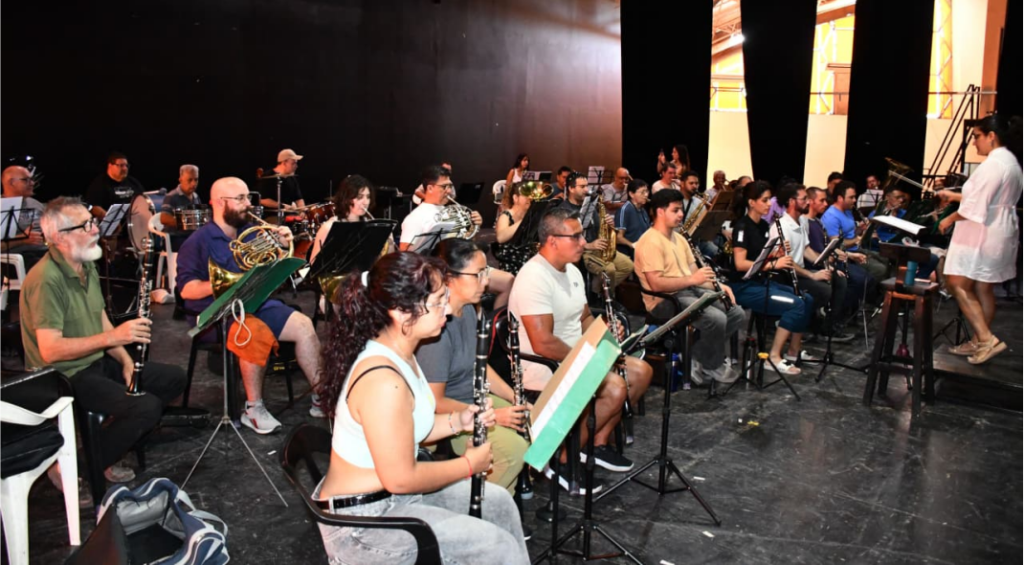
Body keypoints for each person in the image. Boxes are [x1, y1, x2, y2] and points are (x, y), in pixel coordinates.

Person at [316, 252, 528, 563]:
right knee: (495, 546)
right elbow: (400, 477)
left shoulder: (402, 352)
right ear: (403, 313)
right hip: (362, 523)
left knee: (498, 503)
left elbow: (414, 428)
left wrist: (459, 421)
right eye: (439, 301)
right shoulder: (384, 382)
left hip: (392, 497)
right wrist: (469, 465)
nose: (447, 309)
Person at [20, 197, 186, 483]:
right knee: (146, 408)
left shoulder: (85, 263)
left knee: (173, 379)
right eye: (85, 225)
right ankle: (75, 470)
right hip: (62, 376)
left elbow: (100, 319)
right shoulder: (46, 279)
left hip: (93, 362)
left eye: (92, 221)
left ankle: (106, 441)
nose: (95, 229)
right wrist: (114, 337)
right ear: (60, 237)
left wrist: (124, 359)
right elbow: (50, 351)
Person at [509, 207, 652, 488]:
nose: (583, 242)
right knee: (614, 386)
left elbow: (584, 317)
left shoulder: (571, 271)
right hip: (542, 366)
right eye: (575, 237)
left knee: (641, 372)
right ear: (552, 241)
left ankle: (594, 444)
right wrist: (590, 358)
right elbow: (543, 342)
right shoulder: (534, 276)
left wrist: (607, 333)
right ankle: (559, 459)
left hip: (572, 356)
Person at [176, 177, 324, 434]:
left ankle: (322, 396)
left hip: (253, 303)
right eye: (242, 199)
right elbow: (187, 290)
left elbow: (270, 273)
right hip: (216, 313)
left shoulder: (253, 234)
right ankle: (253, 409)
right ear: (222, 203)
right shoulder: (197, 242)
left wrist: (281, 245)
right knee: (252, 332)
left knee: (303, 324)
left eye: (249, 198)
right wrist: (227, 283)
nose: (249, 205)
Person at [418, 239, 529, 495]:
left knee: (529, 420)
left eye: (485, 272)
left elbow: (478, 365)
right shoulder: (437, 331)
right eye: (477, 274)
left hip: (474, 401)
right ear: (449, 278)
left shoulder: (468, 309)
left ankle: (505, 500)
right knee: (513, 451)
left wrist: (512, 396)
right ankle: (477, 514)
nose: (485, 282)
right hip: (452, 412)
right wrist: (492, 415)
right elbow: (434, 402)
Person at [937, 114, 1024, 364]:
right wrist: (954, 196)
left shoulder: (994, 164)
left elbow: (976, 206)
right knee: (982, 286)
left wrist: (948, 219)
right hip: (999, 229)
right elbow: (988, 199)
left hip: (982, 233)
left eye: (977, 137)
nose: (974, 143)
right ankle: (978, 340)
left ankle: (986, 339)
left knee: (956, 282)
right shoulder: (1011, 162)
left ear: (991, 136)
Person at [634, 189, 742, 384]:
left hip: (688, 291)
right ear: (660, 212)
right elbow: (656, 284)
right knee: (716, 319)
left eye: (681, 210)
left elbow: (696, 274)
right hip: (664, 300)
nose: (681, 215)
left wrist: (718, 287)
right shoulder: (649, 241)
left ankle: (697, 357)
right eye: (675, 210)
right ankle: (712, 365)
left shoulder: (680, 238)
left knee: (735, 312)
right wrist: (694, 280)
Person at [729, 181, 814, 375]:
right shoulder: (742, 226)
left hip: (761, 281)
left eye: (769, 200)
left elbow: (760, 256)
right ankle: (773, 357)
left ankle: (793, 350)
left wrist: (776, 253)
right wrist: (774, 264)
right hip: (744, 286)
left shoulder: (764, 226)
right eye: (764, 200)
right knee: (796, 303)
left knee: (806, 299)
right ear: (751, 202)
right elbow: (740, 264)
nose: (769, 204)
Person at [400, 165, 512, 308]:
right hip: (444, 271)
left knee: (509, 281)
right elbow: (405, 254)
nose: (449, 191)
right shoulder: (415, 217)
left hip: (463, 265)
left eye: (450, 186)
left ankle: (489, 325)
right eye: (444, 187)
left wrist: (475, 225)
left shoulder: (453, 211)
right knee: (470, 291)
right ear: (430, 188)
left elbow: (468, 240)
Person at [768, 183, 853, 343]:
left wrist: (826, 266)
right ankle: (793, 322)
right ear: (792, 201)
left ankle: (826, 325)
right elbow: (787, 262)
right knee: (823, 290)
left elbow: (807, 250)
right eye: (804, 198)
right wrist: (812, 276)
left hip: (799, 270)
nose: (808, 202)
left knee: (838, 279)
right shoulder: (781, 226)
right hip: (786, 275)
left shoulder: (800, 222)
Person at [558, 171, 634, 292]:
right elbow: (565, 240)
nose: (586, 190)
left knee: (628, 266)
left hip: (599, 247)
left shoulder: (589, 205)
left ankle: (598, 290)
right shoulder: (563, 210)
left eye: (587, 186)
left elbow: (598, 227)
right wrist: (589, 245)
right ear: (571, 189)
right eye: (582, 187)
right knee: (610, 269)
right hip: (584, 250)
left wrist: (608, 223)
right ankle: (606, 298)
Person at [805, 186, 876, 311]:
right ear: (810, 201)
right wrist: (829, 267)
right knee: (851, 279)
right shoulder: (804, 223)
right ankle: (835, 317)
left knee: (864, 277)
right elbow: (811, 252)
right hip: (817, 265)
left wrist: (850, 255)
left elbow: (828, 247)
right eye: (822, 201)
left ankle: (844, 314)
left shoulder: (817, 222)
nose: (826, 204)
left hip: (829, 260)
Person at [309, 174, 393, 266]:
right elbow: (313, 264)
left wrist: (388, 241)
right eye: (359, 197)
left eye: (368, 197)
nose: (365, 202)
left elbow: (384, 261)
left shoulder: (370, 226)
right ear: (347, 198)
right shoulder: (329, 227)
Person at [822, 181, 889, 283]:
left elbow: (851, 234)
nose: (854, 200)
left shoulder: (848, 211)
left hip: (857, 249)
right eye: (851, 197)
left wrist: (860, 229)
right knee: (880, 269)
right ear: (840, 198)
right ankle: (871, 295)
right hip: (846, 254)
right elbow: (836, 245)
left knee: (887, 260)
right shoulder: (831, 217)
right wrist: (859, 239)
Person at [0, 164, 47, 265]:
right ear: (12, 182)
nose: (32, 183)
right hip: (17, 259)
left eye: (32, 179)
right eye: (26, 180)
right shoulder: (2, 206)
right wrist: (22, 240)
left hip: (45, 252)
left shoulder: (35, 203)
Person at [85, 151, 146, 218]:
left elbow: (144, 198)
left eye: (126, 165)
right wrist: (111, 221)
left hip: (135, 220)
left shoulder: (133, 182)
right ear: (110, 165)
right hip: (114, 223)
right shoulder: (99, 183)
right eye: (121, 165)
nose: (125, 168)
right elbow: (94, 207)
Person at [257, 148, 306, 213]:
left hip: (289, 215)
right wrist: (282, 206)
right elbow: (263, 200)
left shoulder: (292, 178)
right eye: (293, 163)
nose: (296, 166)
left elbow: (299, 199)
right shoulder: (268, 176)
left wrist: (302, 211)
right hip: (272, 216)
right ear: (284, 163)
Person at [614, 178, 651, 258]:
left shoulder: (643, 210)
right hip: (629, 255)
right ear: (631, 194)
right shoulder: (625, 209)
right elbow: (618, 238)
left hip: (643, 252)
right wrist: (632, 245)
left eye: (647, 191)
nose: (646, 195)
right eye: (642, 192)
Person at [158, 164, 203, 229]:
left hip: (193, 235)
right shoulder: (171, 196)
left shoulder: (196, 196)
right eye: (190, 180)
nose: (194, 184)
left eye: (196, 180)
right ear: (180, 179)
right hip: (178, 237)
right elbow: (164, 219)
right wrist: (186, 223)